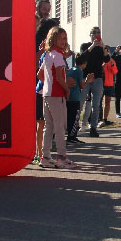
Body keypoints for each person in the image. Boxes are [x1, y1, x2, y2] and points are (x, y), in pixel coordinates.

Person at [37, 26, 73, 169]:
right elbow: (59, 76)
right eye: (61, 38)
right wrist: (66, 89)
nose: (64, 41)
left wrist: (48, 84)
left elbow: (39, 75)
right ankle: (62, 157)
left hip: (46, 93)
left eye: (65, 38)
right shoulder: (57, 55)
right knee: (59, 126)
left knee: (49, 126)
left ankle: (45, 157)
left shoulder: (48, 54)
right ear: (54, 39)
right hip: (56, 94)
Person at [80, 26, 109, 137]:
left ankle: (93, 127)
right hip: (85, 78)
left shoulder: (102, 48)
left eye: (98, 32)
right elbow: (82, 58)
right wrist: (92, 46)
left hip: (97, 78)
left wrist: (103, 48)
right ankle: (75, 126)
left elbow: (106, 60)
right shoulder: (85, 46)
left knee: (96, 105)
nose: (96, 34)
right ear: (90, 34)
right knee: (81, 102)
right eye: (94, 33)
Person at [66, 54, 91, 144]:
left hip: (69, 97)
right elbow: (82, 85)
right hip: (75, 97)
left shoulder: (72, 69)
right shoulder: (79, 71)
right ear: (84, 63)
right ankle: (72, 136)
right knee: (74, 118)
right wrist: (88, 79)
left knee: (69, 117)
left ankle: (70, 135)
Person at [101, 45, 118, 125]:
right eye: (105, 50)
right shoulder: (100, 60)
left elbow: (115, 72)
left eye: (107, 50)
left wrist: (112, 64)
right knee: (98, 102)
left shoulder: (112, 60)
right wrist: (102, 67)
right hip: (101, 83)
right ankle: (98, 119)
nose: (106, 51)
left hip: (109, 83)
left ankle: (105, 119)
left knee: (107, 101)